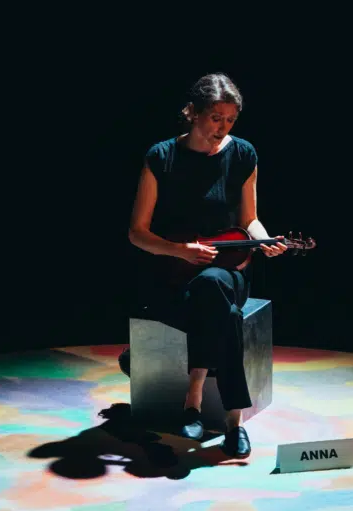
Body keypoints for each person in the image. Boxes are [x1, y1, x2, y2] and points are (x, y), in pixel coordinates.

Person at [126, 72, 287, 459]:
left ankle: (195, 403)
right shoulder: (162, 157)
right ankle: (233, 421)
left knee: (213, 285)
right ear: (192, 113)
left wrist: (264, 240)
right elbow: (137, 233)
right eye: (216, 118)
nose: (223, 128)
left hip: (228, 274)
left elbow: (249, 219)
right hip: (174, 276)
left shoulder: (243, 154)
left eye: (230, 120)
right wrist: (179, 251)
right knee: (221, 310)